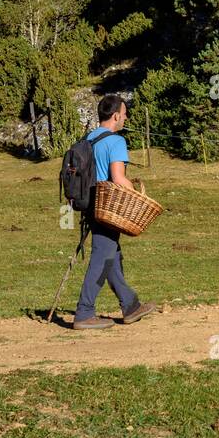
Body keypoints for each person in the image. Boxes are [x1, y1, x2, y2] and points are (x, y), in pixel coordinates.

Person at [72, 95, 156, 331]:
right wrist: (139, 197)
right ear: (116, 115)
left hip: (90, 204)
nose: (126, 117)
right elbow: (118, 179)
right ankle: (84, 312)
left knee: (111, 256)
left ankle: (130, 305)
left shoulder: (89, 138)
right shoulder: (116, 141)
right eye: (125, 113)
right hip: (110, 207)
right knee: (102, 257)